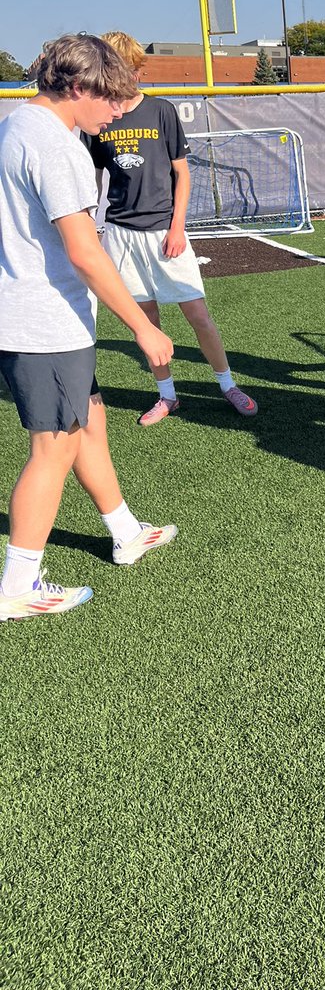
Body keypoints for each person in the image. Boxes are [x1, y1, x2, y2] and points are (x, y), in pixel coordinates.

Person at [0, 34, 177, 620]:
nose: (119, 110)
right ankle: (19, 581)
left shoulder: (18, 124)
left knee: (88, 421)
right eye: (111, 98)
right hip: (43, 322)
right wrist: (144, 328)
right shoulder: (56, 147)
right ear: (77, 87)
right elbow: (84, 251)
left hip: (40, 316)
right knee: (53, 448)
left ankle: (124, 530)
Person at [85, 32, 258, 426]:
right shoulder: (99, 121)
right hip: (121, 233)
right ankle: (167, 395)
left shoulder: (161, 111)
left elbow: (182, 173)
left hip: (165, 231)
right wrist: (93, 227)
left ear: (136, 69)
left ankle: (227, 384)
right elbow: (93, 179)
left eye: (127, 68)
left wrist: (177, 227)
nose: (123, 76)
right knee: (144, 322)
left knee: (197, 314)